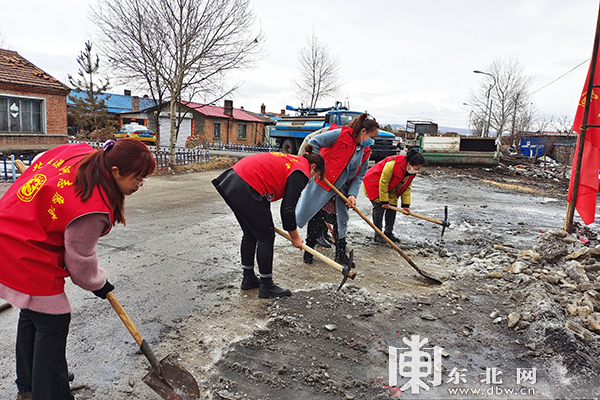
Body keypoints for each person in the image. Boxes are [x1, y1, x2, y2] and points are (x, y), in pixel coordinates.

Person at [0, 138, 156, 400]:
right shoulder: (91, 207)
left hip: (9, 227)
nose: (139, 186)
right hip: (23, 248)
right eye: (137, 180)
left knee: (33, 313)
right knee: (54, 319)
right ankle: (50, 392)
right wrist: (99, 282)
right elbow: (80, 263)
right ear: (115, 171)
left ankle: (30, 385)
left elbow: (42, 160)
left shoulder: (81, 152)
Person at [212, 146, 325, 298]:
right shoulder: (301, 172)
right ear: (313, 167)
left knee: (250, 233)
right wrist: (295, 237)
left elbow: (270, 181)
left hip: (234, 180)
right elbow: (287, 210)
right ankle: (266, 286)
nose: (313, 178)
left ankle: (248, 278)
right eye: (316, 175)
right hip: (247, 184)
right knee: (266, 236)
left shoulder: (294, 161)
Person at [295, 113, 379, 266]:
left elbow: (359, 175)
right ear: (363, 132)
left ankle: (340, 255)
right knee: (316, 216)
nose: (372, 141)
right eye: (371, 136)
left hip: (342, 190)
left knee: (341, 220)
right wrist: (319, 166)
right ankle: (309, 250)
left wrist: (353, 194)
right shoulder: (341, 134)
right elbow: (314, 142)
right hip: (324, 183)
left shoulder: (365, 151)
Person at [362, 149, 426, 244]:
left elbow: (406, 188)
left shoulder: (411, 173)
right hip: (374, 183)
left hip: (391, 188)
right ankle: (378, 234)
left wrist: (406, 205)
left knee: (393, 208)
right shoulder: (393, 164)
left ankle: (388, 232)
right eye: (416, 168)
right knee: (379, 208)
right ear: (409, 164)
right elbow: (383, 182)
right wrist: (384, 201)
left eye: (418, 169)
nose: (416, 170)